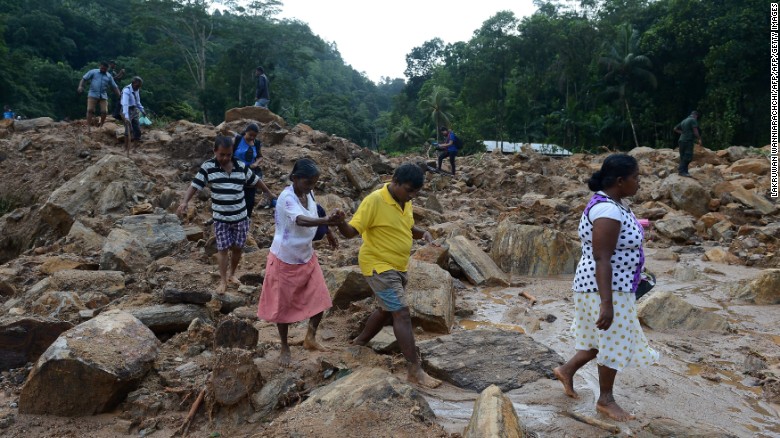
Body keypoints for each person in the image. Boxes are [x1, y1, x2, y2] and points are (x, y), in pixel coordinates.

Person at [553, 154, 659, 422]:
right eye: (636, 177)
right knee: (612, 340)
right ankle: (606, 400)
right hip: (605, 288)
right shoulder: (607, 210)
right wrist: (607, 303)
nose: (639, 182)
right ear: (620, 180)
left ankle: (566, 371)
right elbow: (602, 257)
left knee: (596, 340)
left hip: (607, 285)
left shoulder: (615, 203)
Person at [335, 163, 442, 388]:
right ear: (394, 181)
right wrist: (339, 222)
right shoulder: (374, 200)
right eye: (409, 190)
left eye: (416, 193)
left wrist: (424, 234)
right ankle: (414, 370)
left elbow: (407, 228)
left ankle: (359, 342)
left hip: (398, 266)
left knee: (386, 309)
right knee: (401, 313)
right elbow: (351, 232)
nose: (412, 196)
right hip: (378, 265)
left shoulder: (406, 202)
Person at [257, 158, 343, 366]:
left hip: (306, 255)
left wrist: (328, 231)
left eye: (314, 184)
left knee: (321, 297)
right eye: (307, 183)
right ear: (295, 178)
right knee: (282, 306)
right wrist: (327, 222)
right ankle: (284, 346)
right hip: (285, 257)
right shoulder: (286, 198)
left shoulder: (308, 192)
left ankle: (310, 337)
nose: (311, 187)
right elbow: (301, 220)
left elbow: (316, 211)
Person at [176, 135, 277, 294]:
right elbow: (195, 185)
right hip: (221, 219)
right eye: (221, 154)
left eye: (228, 154)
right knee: (222, 250)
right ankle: (223, 281)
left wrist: (269, 193)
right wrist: (185, 202)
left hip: (241, 218)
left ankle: (232, 275)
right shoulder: (208, 167)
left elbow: (255, 180)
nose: (225, 158)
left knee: (237, 248)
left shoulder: (240, 166)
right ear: (215, 151)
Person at [233, 123, 275, 218]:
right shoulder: (238, 139)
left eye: (254, 136)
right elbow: (229, 153)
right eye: (250, 135)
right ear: (246, 132)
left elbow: (260, 157)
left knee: (250, 200)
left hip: (250, 173)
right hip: (236, 172)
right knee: (237, 197)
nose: (252, 137)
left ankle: (246, 219)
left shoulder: (256, 143)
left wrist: (256, 163)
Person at [77, 61, 120, 132]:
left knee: (104, 111)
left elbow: (114, 87)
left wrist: (119, 96)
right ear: (100, 66)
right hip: (92, 94)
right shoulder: (93, 72)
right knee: (90, 110)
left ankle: (101, 126)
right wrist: (80, 86)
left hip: (103, 96)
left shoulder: (109, 76)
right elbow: (84, 79)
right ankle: (88, 127)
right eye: (102, 68)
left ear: (107, 69)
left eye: (105, 69)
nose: (103, 70)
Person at [121, 76, 146, 156]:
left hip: (134, 110)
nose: (138, 88)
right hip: (126, 110)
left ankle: (135, 149)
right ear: (133, 83)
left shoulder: (136, 90)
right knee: (128, 130)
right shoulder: (126, 90)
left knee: (137, 130)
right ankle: (126, 149)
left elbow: (137, 102)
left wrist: (142, 110)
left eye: (139, 86)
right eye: (137, 86)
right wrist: (127, 117)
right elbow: (125, 104)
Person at [673, 110, 701, 177]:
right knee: (688, 156)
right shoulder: (693, 120)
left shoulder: (684, 121)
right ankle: (681, 171)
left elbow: (675, 129)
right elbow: (695, 131)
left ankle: (685, 171)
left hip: (681, 140)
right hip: (688, 140)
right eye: (696, 117)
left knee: (683, 156)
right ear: (695, 115)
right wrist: (699, 139)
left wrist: (682, 133)